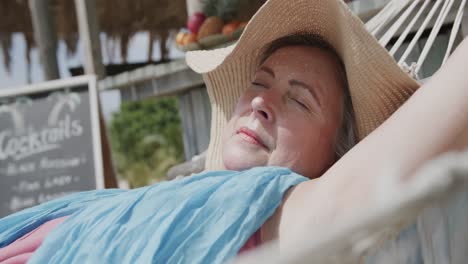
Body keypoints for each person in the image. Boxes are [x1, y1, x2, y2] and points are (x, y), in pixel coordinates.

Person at [1, 0, 468, 263]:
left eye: (300, 100)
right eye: (258, 84)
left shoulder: (288, 215)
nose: (263, 102)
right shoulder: (182, 201)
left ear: (338, 158)